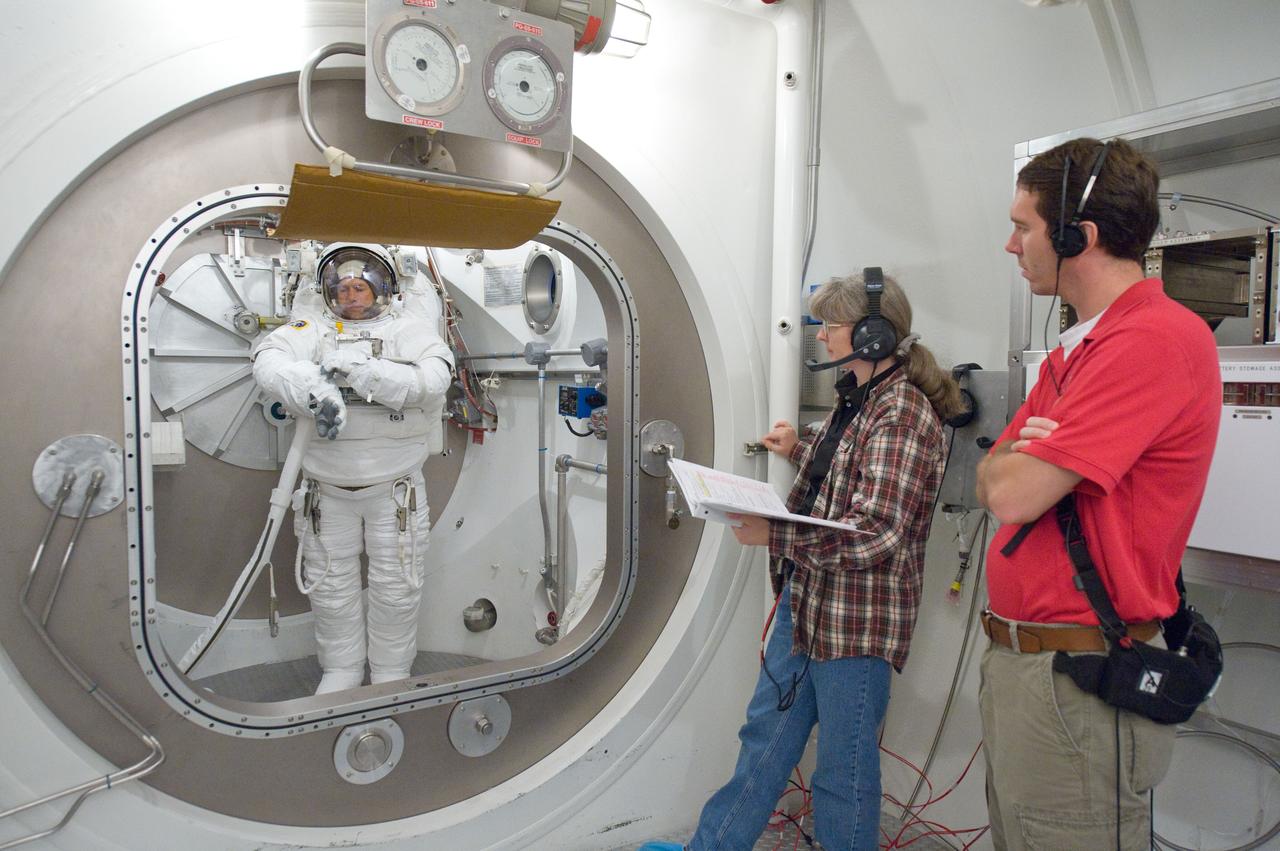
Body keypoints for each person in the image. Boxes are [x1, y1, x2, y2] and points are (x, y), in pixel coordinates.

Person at [643, 269, 964, 851]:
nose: (819, 335)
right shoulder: (860, 398)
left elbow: (877, 533)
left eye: (829, 325)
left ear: (871, 334)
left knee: (843, 771)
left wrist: (777, 535)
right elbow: (848, 467)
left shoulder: (903, 413)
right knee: (764, 741)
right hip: (808, 605)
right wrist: (800, 449)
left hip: (855, 625)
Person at [976, 137, 1220, 849]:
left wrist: (1021, 462)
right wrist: (1018, 460)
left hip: (1081, 685)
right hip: (1029, 672)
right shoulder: (1078, 351)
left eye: (1023, 227)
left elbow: (1013, 495)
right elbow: (992, 474)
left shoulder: (1153, 341)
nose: (1011, 245)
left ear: (1076, 236)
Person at [252, 242, 454, 695]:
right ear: (327, 292)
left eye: (360, 287)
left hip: (395, 490)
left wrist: (365, 371)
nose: (351, 295)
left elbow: (434, 378)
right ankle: (340, 670)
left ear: (381, 288)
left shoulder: (405, 329)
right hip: (326, 491)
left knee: (397, 586)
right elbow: (268, 359)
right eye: (342, 288)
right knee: (328, 587)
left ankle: (391, 671)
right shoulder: (313, 328)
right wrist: (309, 384)